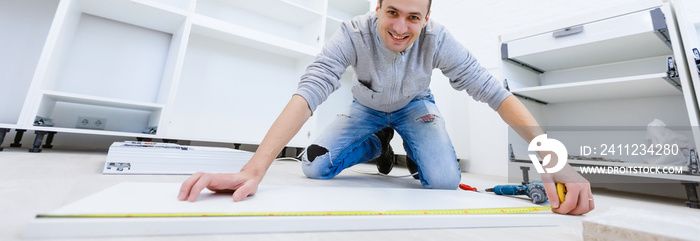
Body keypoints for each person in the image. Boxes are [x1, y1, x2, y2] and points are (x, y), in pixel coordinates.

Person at [178, 0, 594, 215]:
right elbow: (312, 88)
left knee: (445, 182)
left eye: (413, 17)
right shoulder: (351, 33)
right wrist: (254, 170)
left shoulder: (440, 40)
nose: (400, 27)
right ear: (377, 5)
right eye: (392, 11)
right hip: (366, 110)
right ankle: (379, 147)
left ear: (428, 18)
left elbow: (494, 93)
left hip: (416, 107)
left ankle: (416, 147)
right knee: (313, 166)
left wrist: (555, 160)